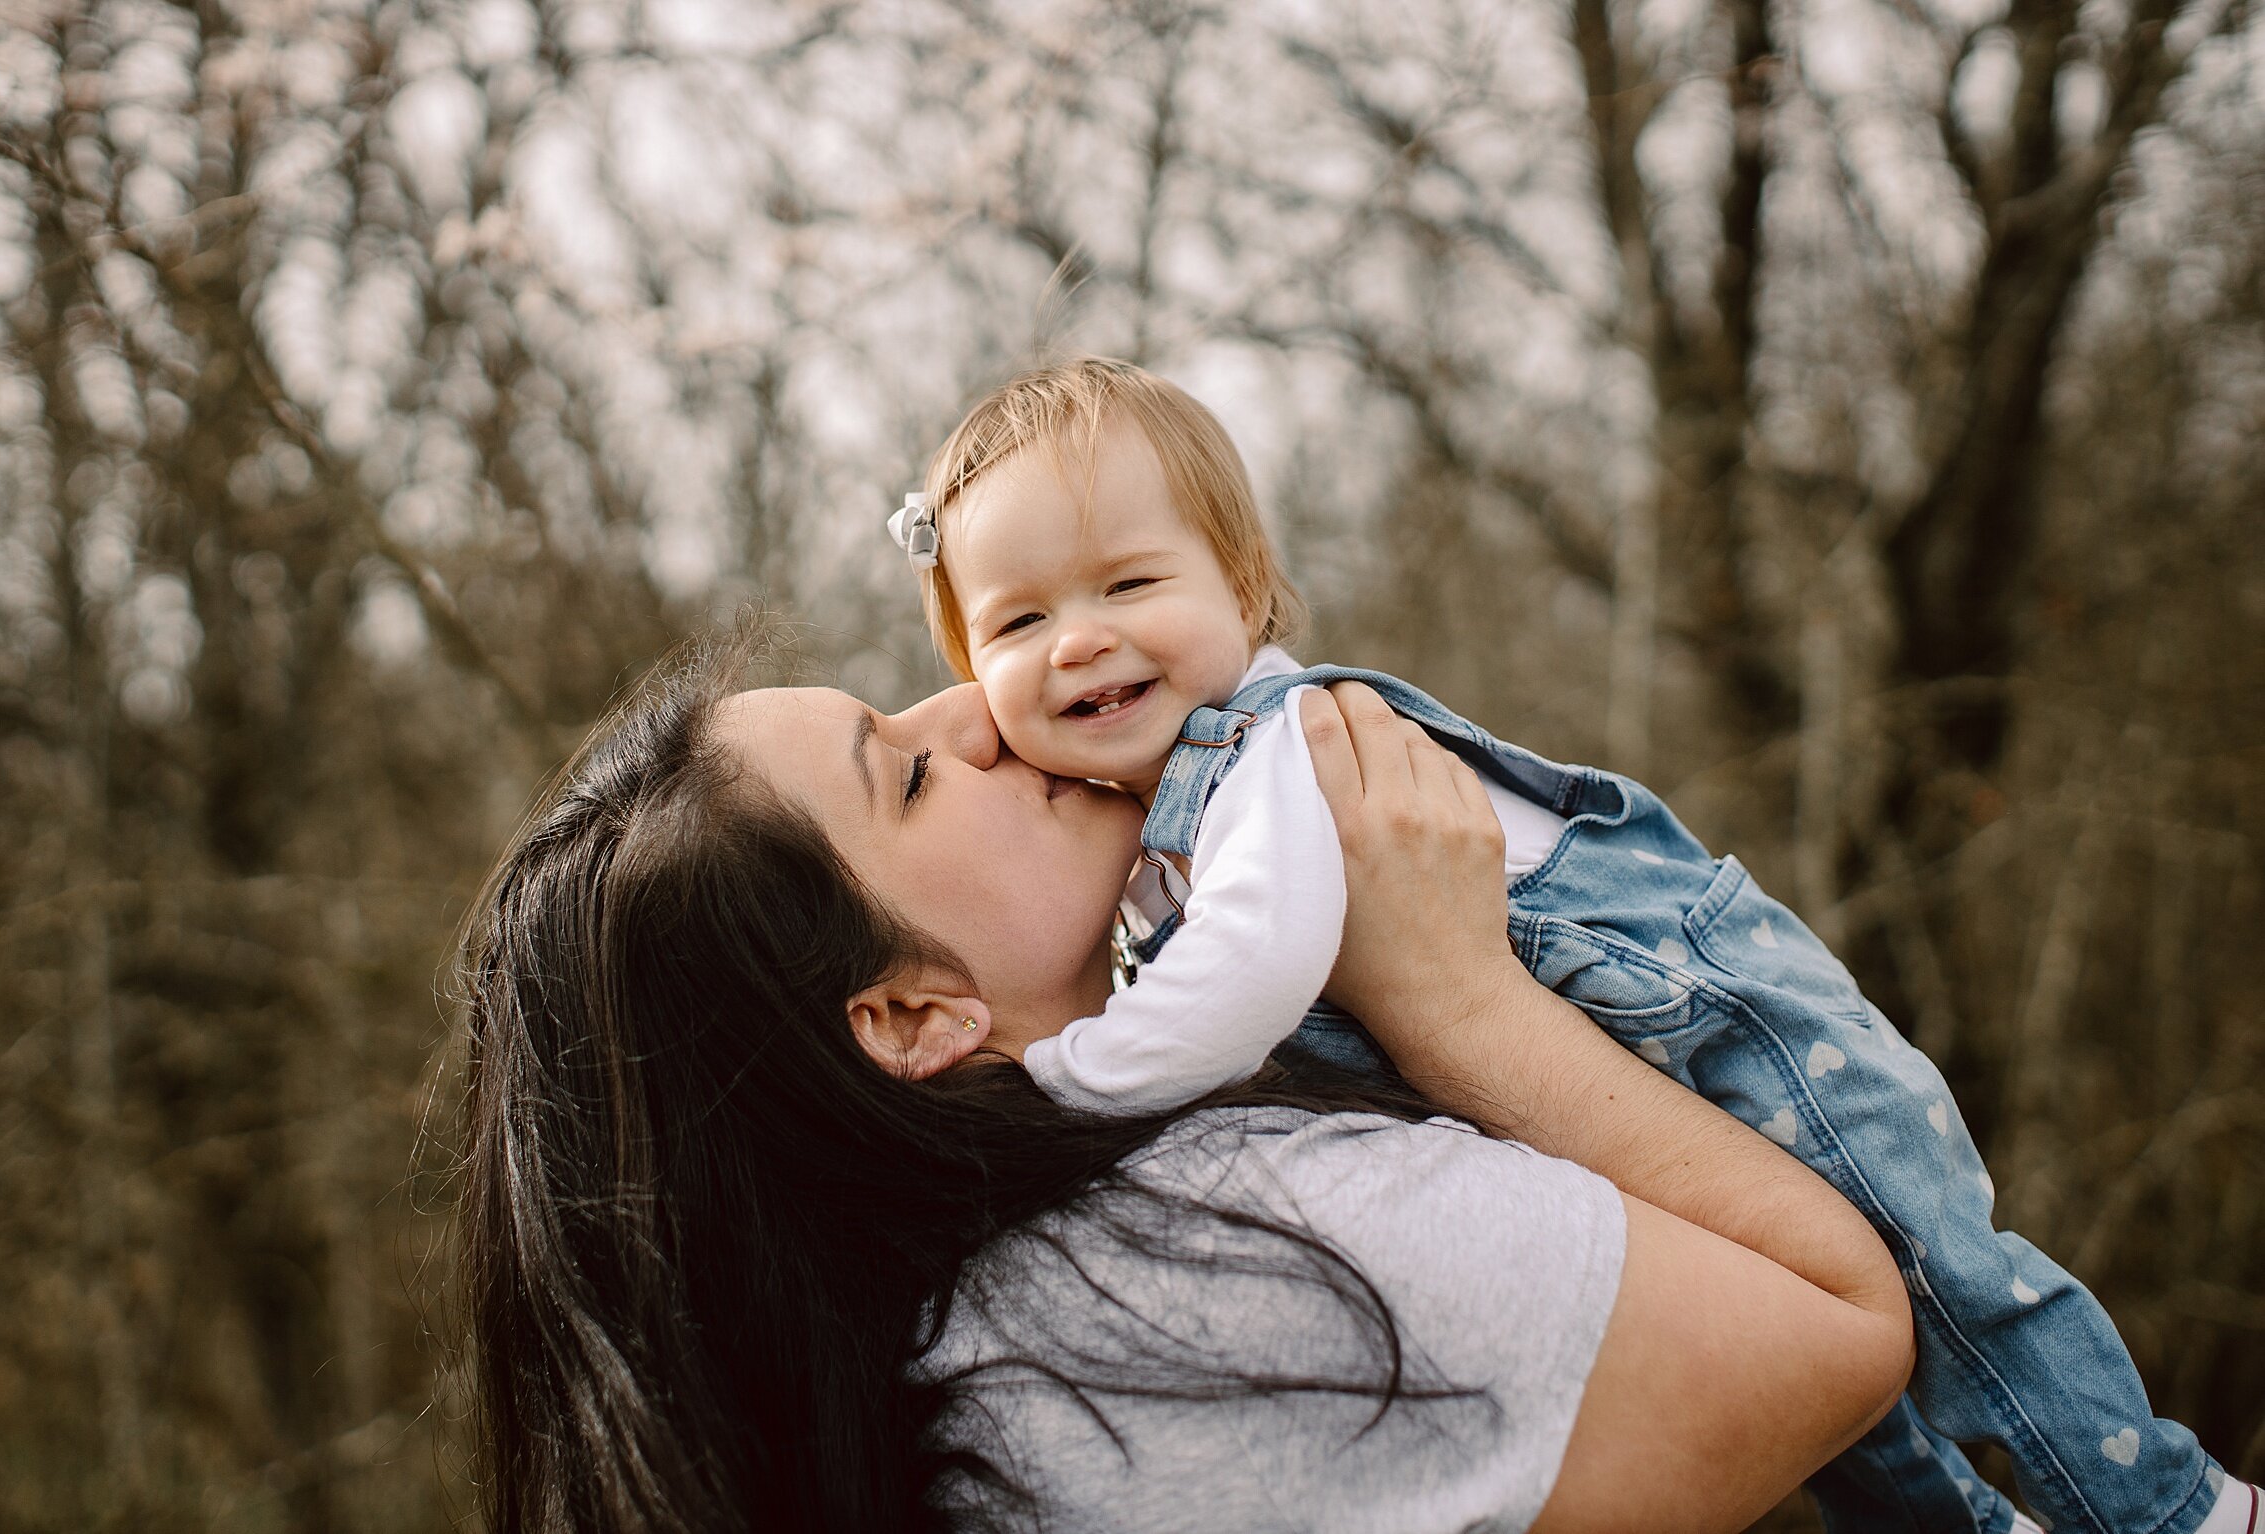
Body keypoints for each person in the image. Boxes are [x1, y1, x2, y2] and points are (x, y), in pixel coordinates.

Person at [883, 357, 2253, 1534]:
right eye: (1019, 620)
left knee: (1941, 1270)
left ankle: (2171, 1506)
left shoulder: (1274, 755)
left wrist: (1066, 1081)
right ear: (969, 674)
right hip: (1595, 1068)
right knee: (1829, 1408)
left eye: (1128, 578)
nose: (1083, 638)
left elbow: (1251, 964)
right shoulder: (1142, 847)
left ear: (1244, 586)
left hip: (1702, 992)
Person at [455, 645, 1922, 1533]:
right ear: (908, 1013)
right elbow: (1837, 1330)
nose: (971, 706)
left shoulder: (950, 1342)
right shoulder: (1199, 1261)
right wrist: (1456, 1001)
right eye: (903, 774)